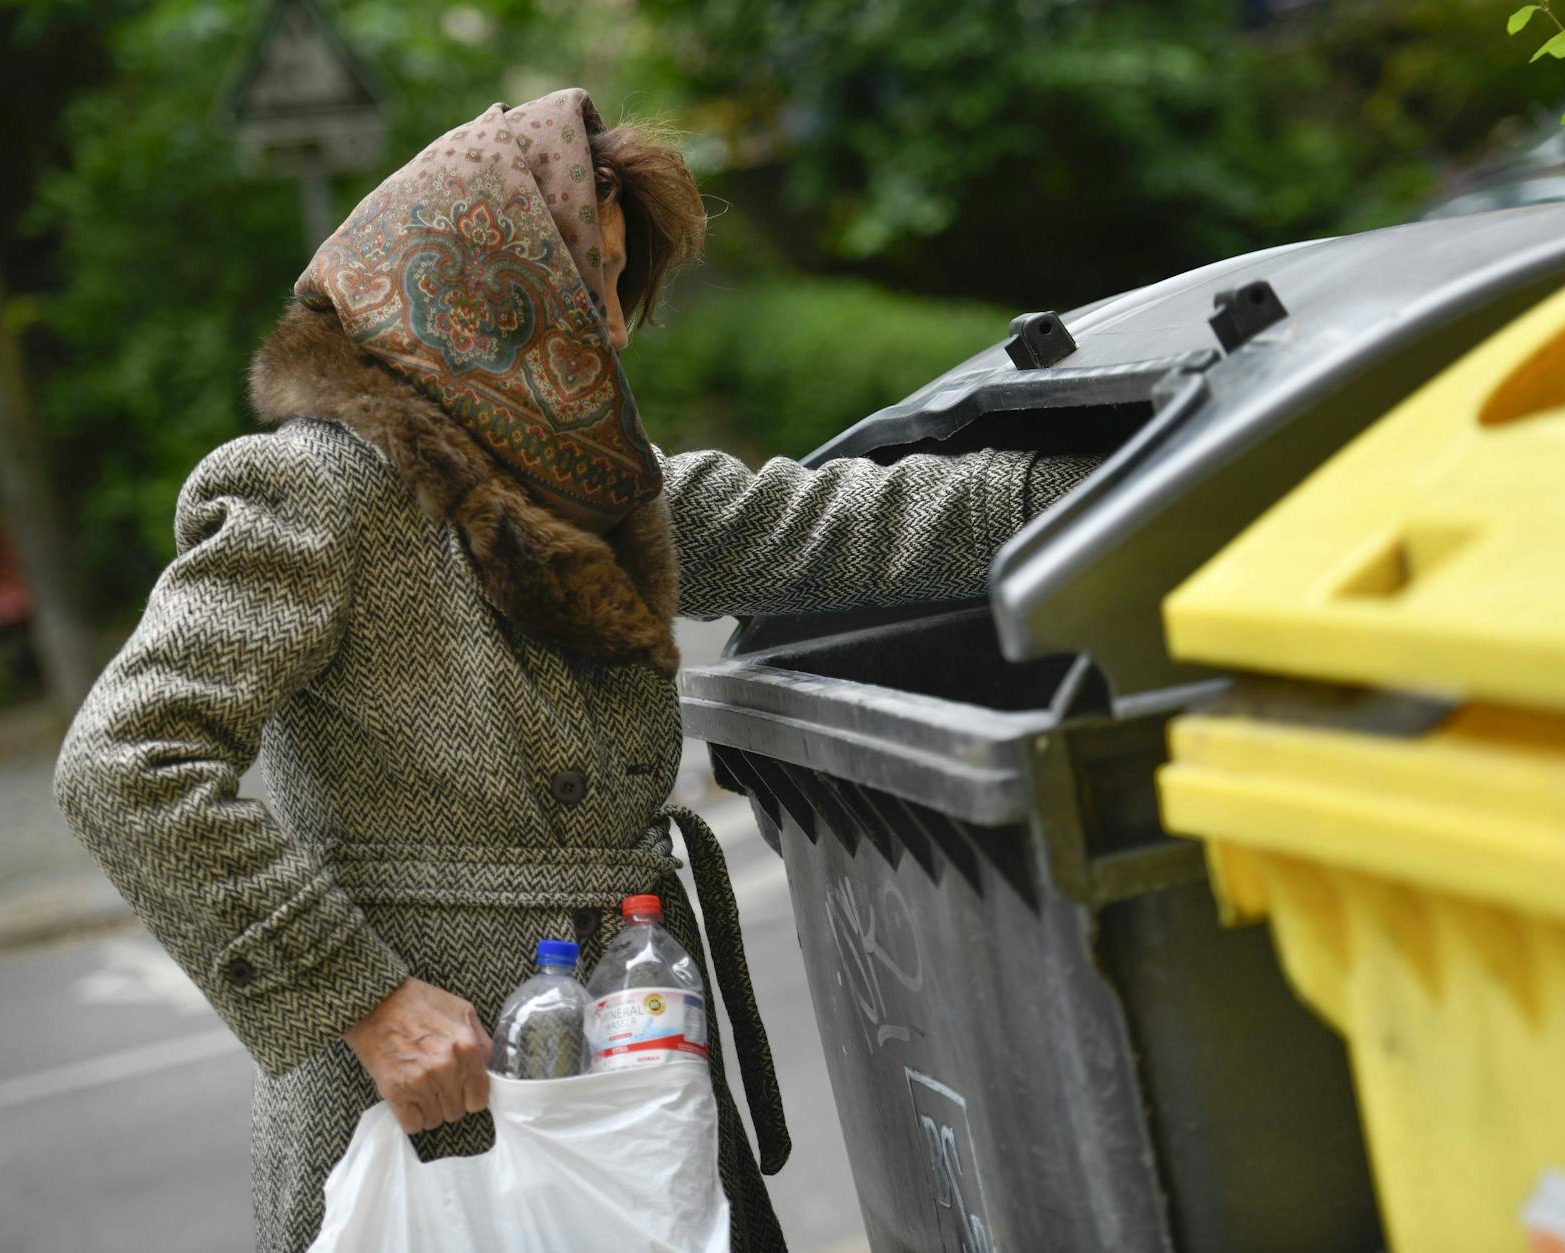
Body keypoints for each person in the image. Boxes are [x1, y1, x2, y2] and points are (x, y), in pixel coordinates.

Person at [53, 88, 1095, 1253]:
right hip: (438, 1120)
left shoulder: (592, 479)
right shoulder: (321, 486)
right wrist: (362, 999)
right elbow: (122, 760)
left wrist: (1120, 479)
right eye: (582, 277)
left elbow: (831, 525)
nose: (611, 319)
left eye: (612, 280)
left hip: (633, 1050)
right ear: (483, 284)